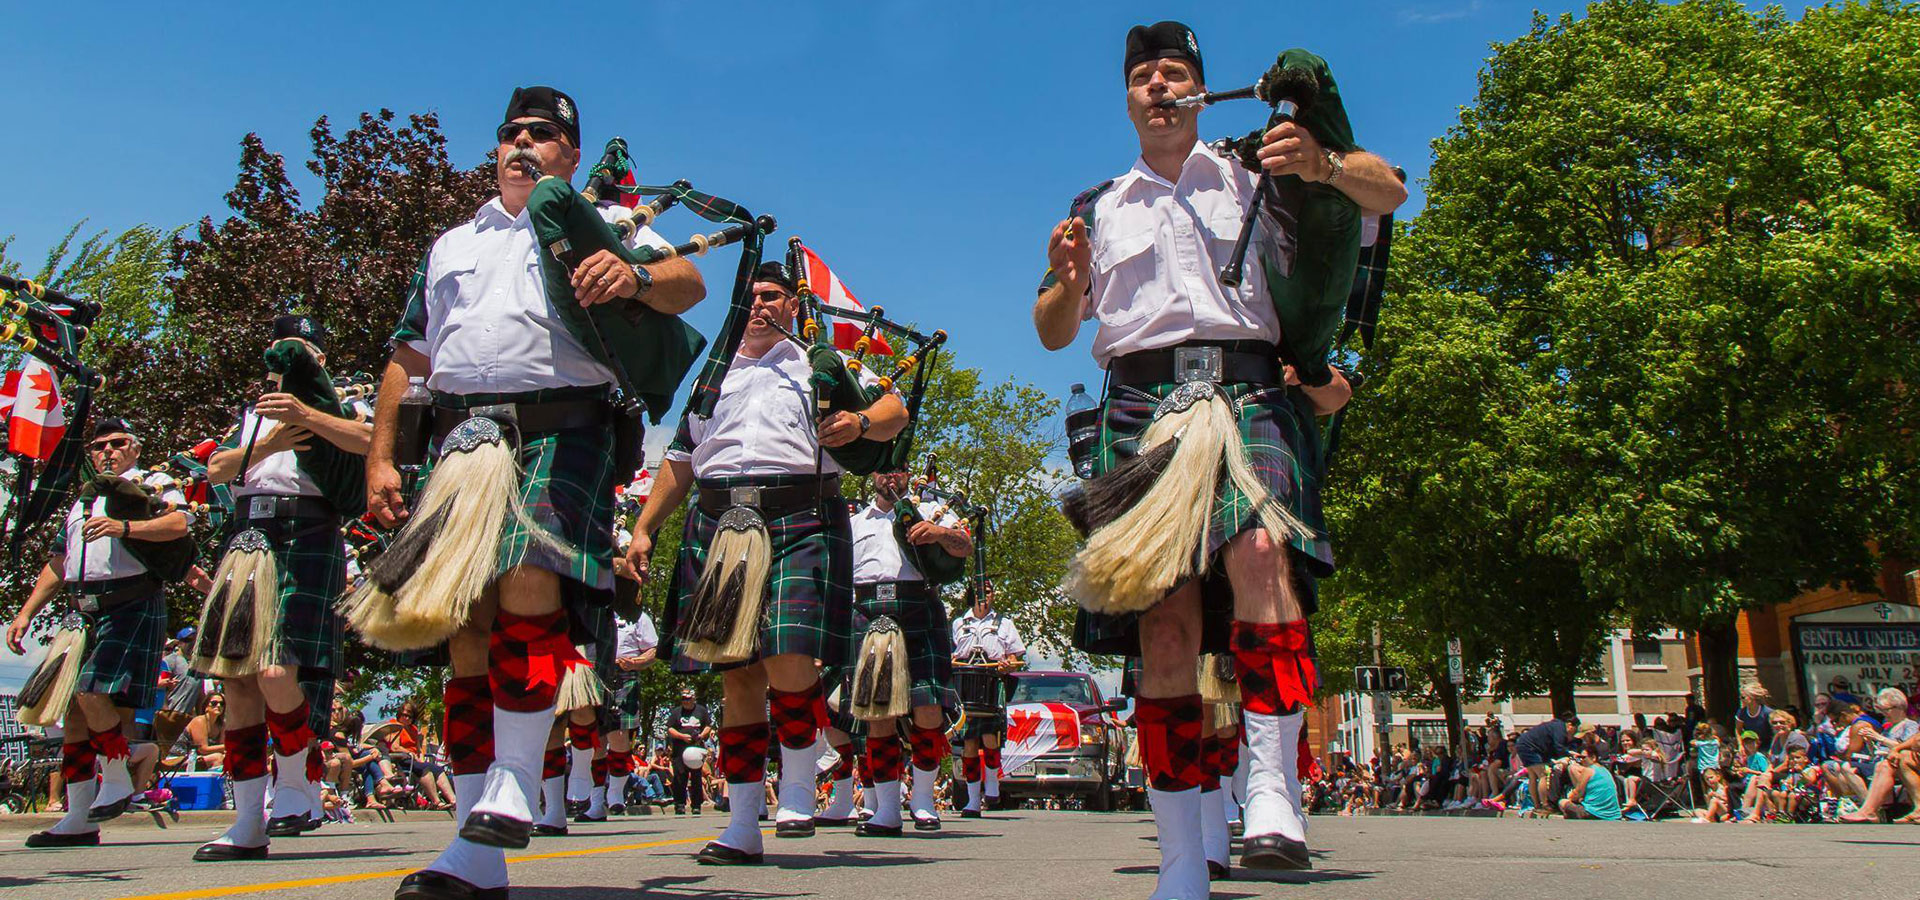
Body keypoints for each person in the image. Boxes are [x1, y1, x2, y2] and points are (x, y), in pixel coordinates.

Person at [1033, 20, 1405, 894]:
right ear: (1128, 98)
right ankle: (1179, 857)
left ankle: (1272, 791)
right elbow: (1054, 333)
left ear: (1199, 88)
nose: (1159, 87)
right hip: (1139, 401)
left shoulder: (1257, 167)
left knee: (1263, 552)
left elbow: (1386, 191)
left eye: (1174, 73)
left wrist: (1319, 164)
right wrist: (1060, 278)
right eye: (1143, 77)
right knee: (1163, 627)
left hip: (1246, 388)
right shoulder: (1096, 206)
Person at [360, 85, 704, 900]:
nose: (522, 144)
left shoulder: (607, 223)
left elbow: (686, 283)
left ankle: (518, 780)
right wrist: (380, 457)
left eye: (542, 134)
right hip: (461, 440)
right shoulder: (451, 244)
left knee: (527, 576)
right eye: (511, 132)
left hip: (563, 427)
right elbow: (409, 357)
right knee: (469, 626)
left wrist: (634, 276)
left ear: (570, 154)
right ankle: (474, 847)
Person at [629, 259, 907, 866]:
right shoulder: (713, 374)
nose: (759, 305)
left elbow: (896, 410)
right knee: (736, 673)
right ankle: (741, 827)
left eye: (773, 296)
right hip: (719, 521)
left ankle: (801, 787)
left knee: (787, 653)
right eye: (751, 295)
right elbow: (681, 460)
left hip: (800, 513)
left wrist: (857, 420)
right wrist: (645, 528)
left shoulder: (823, 365)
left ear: (793, 305)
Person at [193, 315, 368, 859]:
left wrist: (308, 416)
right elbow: (217, 470)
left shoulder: (345, 404)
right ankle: (247, 822)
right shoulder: (250, 419)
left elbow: (369, 441)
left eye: (305, 349)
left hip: (308, 530)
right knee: (238, 680)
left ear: (318, 359)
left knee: (275, 669)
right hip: (248, 534)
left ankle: (295, 776)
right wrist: (269, 442)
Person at [9, 418, 192, 848]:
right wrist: (26, 612)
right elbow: (59, 562)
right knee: (72, 712)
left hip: (131, 601)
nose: (107, 451)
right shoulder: (82, 501)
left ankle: (116, 773)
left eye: (117, 443)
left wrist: (123, 527)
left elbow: (179, 525)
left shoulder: (153, 481)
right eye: (98, 446)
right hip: (84, 609)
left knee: (90, 692)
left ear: (135, 447)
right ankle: (77, 819)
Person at [840, 466, 973, 836]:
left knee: (928, 708)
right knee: (876, 712)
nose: (890, 478)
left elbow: (966, 548)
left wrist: (939, 532)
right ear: (873, 477)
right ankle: (886, 810)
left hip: (919, 607)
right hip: (867, 612)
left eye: (897, 471)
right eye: (883, 471)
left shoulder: (931, 512)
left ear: (907, 474)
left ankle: (925, 801)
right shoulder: (855, 523)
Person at [950, 579, 1025, 817]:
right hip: (965, 682)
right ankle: (973, 800)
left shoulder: (1005, 624)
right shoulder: (959, 623)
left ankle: (992, 782)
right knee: (969, 743)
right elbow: (951, 653)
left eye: (989, 591)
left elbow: (1015, 659)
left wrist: (1007, 665)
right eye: (981, 591)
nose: (985, 595)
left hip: (991, 682)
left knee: (989, 736)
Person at [602, 610, 658, 815]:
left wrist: (636, 662)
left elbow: (653, 649)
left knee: (619, 734)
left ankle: (615, 793)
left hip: (624, 675)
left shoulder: (639, 617)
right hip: (596, 670)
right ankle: (593, 796)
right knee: (594, 736)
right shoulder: (596, 609)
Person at [1839, 687, 1919, 823]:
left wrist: (1882, 740)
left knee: (1897, 759)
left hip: (1894, 763)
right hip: (1887, 761)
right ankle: (1868, 809)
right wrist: (1871, 742)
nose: (1883, 714)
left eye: (1886, 710)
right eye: (1881, 710)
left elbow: (1912, 741)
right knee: (1844, 767)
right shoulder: (1887, 728)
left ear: (1898, 707)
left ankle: (1870, 810)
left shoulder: (1909, 725)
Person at [663, 688, 714, 815]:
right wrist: (681, 736)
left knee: (697, 777)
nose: (685, 702)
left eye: (688, 699)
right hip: (680, 749)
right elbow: (670, 729)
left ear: (693, 698)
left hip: (696, 748)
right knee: (680, 776)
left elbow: (708, 725)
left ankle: (696, 805)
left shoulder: (701, 710)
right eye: (683, 699)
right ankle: (679, 804)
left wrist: (701, 735)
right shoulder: (676, 712)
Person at [1515, 712, 1577, 814]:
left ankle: (1536, 805)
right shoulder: (1560, 728)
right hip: (1530, 747)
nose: (1572, 734)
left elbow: (1549, 746)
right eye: (1574, 730)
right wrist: (1568, 754)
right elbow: (1558, 746)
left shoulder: (1553, 725)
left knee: (1532, 776)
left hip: (1523, 745)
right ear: (1570, 725)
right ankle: (1545, 805)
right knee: (1543, 775)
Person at [1557, 744, 1622, 821]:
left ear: (1593, 758)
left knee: (1562, 802)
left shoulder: (1588, 771)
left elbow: (1577, 794)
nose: (1581, 760)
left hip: (1594, 814)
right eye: (1579, 758)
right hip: (1614, 815)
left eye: (1583, 757)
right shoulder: (1604, 770)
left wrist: (1570, 796)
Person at [185, 693, 228, 772]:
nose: (218, 706)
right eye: (214, 703)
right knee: (217, 758)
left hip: (202, 758)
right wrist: (227, 746)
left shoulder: (222, 725)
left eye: (222, 704)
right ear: (206, 707)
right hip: (183, 758)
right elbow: (203, 749)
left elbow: (222, 747)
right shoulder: (199, 721)